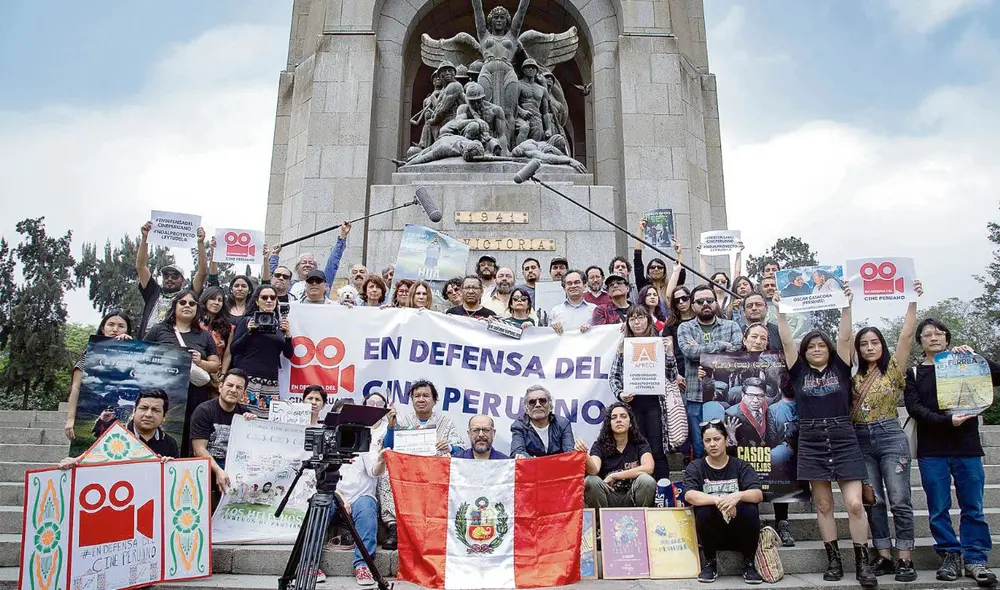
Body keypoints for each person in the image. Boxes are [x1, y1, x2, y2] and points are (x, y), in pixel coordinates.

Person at [774, 287, 878, 588]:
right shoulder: (798, 372)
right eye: (811, 347)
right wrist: (780, 311)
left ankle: (863, 562)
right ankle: (833, 560)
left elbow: (846, 337)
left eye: (821, 345)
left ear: (829, 349)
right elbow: (786, 340)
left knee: (855, 504)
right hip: (812, 438)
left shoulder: (841, 368)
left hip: (843, 436)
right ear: (805, 352)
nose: (816, 349)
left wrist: (847, 305)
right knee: (823, 505)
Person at [905, 317, 1000, 585]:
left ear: (947, 338)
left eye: (939, 334)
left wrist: (976, 356)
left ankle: (976, 558)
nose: (933, 338)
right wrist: (946, 420)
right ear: (920, 342)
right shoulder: (914, 372)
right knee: (938, 508)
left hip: (967, 447)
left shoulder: (966, 364)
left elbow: (997, 375)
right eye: (927, 335)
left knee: (973, 506)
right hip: (932, 450)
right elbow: (915, 409)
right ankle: (949, 554)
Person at [849, 280, 923, 581]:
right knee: (873, 500)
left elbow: (906, 336)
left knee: (900, 499)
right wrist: (848, 304)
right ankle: (883, 555)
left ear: (882, 345)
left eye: (874, 342)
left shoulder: (894, 371)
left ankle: (905, 557)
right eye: (864, 343)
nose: (869, 347)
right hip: (861, 439)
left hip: (891, 436)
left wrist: (912, 300)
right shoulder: (852, 376)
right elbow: (843, 339)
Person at [683, 420, 764, 584]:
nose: (712, 444)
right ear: (704, 444)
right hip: (712, 533)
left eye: (717, 439)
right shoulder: (696, 467)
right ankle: (710, 563)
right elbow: (690, 495)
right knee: (703, 509)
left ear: (726, 440)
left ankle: (749, 563)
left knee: (750, 508)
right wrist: (719, 501)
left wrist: (738, 496)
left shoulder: (740, 466)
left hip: (739, 531)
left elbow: (757, 494)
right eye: (708, 441)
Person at [144, 290, 220, 455]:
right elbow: (142, 354)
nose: (187, 306)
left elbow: (216, 365)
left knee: (189, 436)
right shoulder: (159, 330)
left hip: (195, 393)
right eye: (183, 303)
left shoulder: (204, 336)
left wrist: (200, 361)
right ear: (175, 306)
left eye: (192, 304)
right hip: (165, 391)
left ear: (197, 309)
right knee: (163, 432)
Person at [609, 306, 676, 479]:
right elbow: (613, 377)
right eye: (632, 319)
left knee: (657, 450)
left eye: (640, 318)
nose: (637, 322)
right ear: (628, 323)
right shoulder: (623, 346)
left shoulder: (659, 343)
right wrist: (620, 393)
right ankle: (642, 491)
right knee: (637, 451)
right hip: (632, 406)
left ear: (648, 320)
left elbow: (671, 376)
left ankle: (663, 494)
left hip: (656, 405)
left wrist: (669, 353)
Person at [677, 285, 742, 457]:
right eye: (700, 301)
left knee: (727, 443)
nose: (705, 304)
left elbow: (736, 353)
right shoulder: (685, 328)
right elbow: (689, 352)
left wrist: (701, 350)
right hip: (695, 396)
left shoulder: (732, 325)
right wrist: (721, 346)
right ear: (692, 305)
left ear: (716, 303)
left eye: (710, 300)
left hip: (723, 396)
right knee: (700, 446)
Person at [323, 399, 381, 587]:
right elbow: (318, 477)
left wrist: (382, 461)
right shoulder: (327, 440)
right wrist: (339, 497)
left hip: (360, 498)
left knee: (367, 506)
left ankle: (363, 564)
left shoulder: (365, 440)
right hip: (334, 496)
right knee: (318, 506)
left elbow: (374, 471)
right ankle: (308, 563)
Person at [190, 369, 257, 502]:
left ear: (243, 393)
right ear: (220, 387)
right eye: (229, 385)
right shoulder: (204, 411)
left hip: (234, 468)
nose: (233, 390)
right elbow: (199, 450)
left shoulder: (245, 414)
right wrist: (218, 471)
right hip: (206, 468)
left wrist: (253, 426)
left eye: (238, 387)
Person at [64, 310, 133, 440]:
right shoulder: (90, 353)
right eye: (111, 324)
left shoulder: (134, 353)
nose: (115, 329)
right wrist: (70, 419)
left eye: (121, 326)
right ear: (103, 328)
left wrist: (130, 347)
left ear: (127, 330)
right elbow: (76, 387)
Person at [227, 285, 294, 416]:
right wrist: (248, 332)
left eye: (273, 297)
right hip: (249, 379)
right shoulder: (247, 320)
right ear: (257, 301)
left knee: (264, 422)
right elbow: (234, 349)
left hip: (271, 382)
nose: (269, 300)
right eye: (264, 297)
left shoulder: (280, 324)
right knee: (243, 418)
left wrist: (288, 335)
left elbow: (288, 354)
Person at [136, 221, 208, 336]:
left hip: (172, 344)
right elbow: (141, 266)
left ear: (182, 280)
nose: (169, 278)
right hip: (147, 342)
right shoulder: (153, 291)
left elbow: (202, 272)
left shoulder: (187, 296)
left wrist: (200, 243)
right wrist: (145, 238)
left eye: (174, 276)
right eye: (166, 275)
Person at [584, 401, 656, 509]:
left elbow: (649, 468)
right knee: (591, 480)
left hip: (632, 496)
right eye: (614, 417)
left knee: (646, 480)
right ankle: (599, 522)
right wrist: (584, 454)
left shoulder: (640, 443)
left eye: (623, 416)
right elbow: (594, 470)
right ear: (609, 423)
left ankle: (641, 522)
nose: (618, 420)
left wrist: (614, 476)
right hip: (608, 496)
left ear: (630, 422)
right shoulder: (599, 445)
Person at [382, 380, 466, 455]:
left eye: (426, 396)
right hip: (407, 469)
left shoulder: (446, 423)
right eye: (417, 396)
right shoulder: (401, 422)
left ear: (434, 401)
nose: (421, 399)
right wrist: (391, 426)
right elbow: (387, 449)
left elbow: (462, 451)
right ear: (412, 400)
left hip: (437, 470)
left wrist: (450, 448)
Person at [510, 385, 586, 458]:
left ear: (550, 406)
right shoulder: (518, 426)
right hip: (531, 469)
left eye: (542, 401)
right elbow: (517, 452)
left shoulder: (563, 423)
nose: (538, 405)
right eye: (532, 402)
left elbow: (569, 452)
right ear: (526, 409)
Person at [199, 286, 233, 386]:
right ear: (205, 300)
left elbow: (228, 353)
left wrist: (223, 372)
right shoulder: (194, 323)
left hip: (216, 375)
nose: (216, 303)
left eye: (220, 300)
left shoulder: (227, 327)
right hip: (196, 370)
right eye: (212, 299)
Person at [663, 285, 695, 387]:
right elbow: (668, 352)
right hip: (679, 368)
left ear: (690, 299)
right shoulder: (670, 324)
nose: (681, 302)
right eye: (677, 300)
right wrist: (675, 374)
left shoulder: (700, 319)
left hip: (699, 366)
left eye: (684, 298)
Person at [550, 269, 594, 335]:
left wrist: (592, 329)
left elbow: (600, 334)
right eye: (569, 283)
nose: (573, 286)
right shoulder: (555, 311)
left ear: (584, 285)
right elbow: (548, 337)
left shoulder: (594, 309)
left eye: (577, 282)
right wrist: (552, 327)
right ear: (564, 288)